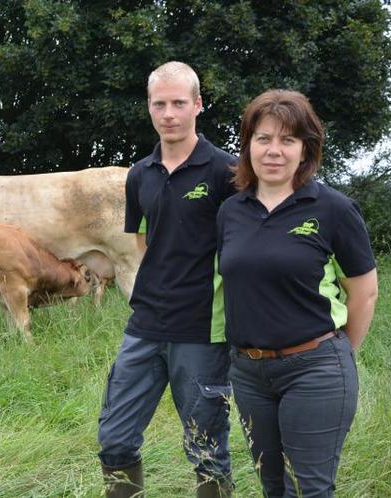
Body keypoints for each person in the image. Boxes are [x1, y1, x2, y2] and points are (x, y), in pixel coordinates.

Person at [216, 89, 378, 497]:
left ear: (306, 149)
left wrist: (336, 355)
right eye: (263, 138)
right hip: (249, 373)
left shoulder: (334, 210)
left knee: (312, 488)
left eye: (287, 140)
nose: (274, 150)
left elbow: (364, 291)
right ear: (248, 145)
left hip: (315, 369)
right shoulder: (230, 211)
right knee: (273, 486)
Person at [97, 61, 236, 498]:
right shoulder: (140, 175)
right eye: (160, 104)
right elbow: (144, 243)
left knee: (206, 446)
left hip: (202, 329)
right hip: (145, 325)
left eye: (179, 103)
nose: (169, 113)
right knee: (114, 439)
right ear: (150, 108)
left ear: (198, 105)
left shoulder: (226, 172)